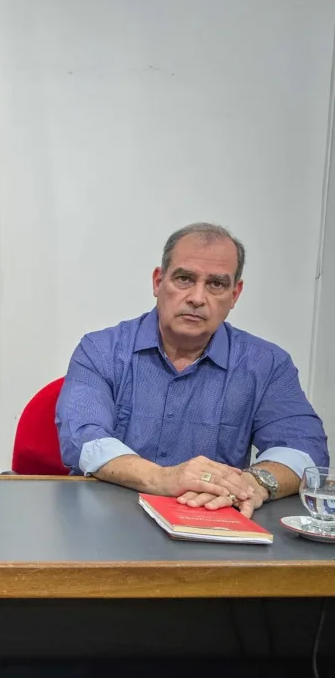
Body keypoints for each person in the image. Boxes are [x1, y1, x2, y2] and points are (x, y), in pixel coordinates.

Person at [56, 222, 328, 518]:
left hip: (213, 524)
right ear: (158, 282)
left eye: (216, 284)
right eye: (184, 279)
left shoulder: (267, 365)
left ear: (235, 295)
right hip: (107, 521)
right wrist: (163, 478)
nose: (198, 298)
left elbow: (305, 449)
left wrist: (253, 483)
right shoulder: (101, 350)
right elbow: (81, 438)